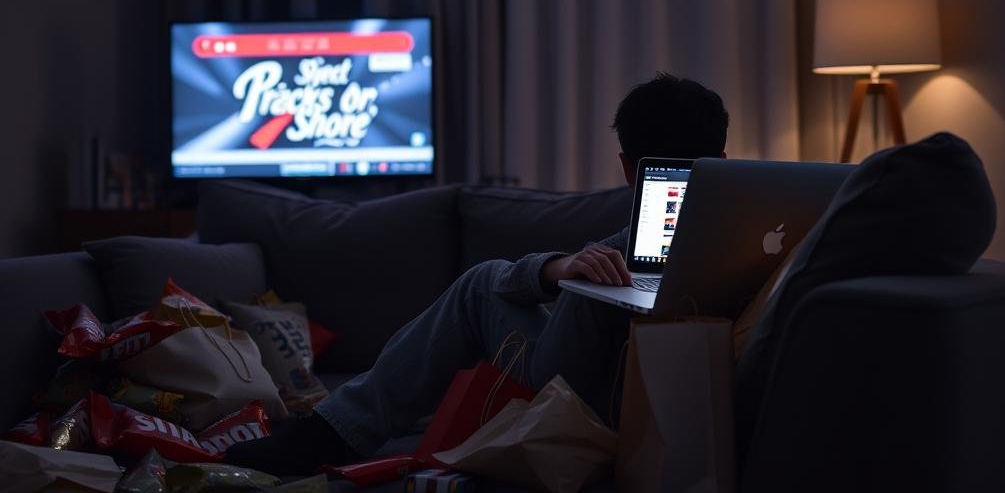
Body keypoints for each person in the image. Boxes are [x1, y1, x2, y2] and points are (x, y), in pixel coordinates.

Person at [225, 73, 730, 474]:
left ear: (626, 168)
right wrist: (560, 267)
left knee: (481, 283)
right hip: (674, 395)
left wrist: (566, 273)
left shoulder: (638, 236)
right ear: (724, 159)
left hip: (590, 396)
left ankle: (332, 433)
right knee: (538, 277)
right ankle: (332, 430)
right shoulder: (754, 226)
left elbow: (511, 289)